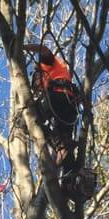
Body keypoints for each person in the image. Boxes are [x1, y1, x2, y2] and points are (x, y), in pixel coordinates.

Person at [24, 44, 79, 190]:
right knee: (65, 145)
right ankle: (70, 185)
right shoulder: (57, 73)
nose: (39, 88)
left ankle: (59, 144)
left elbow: (44, 49)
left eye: (38, 84)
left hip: (58, 96)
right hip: (70, 107)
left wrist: (22, 46)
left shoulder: (47, 65)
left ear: (39, 75)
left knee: (30, 119)